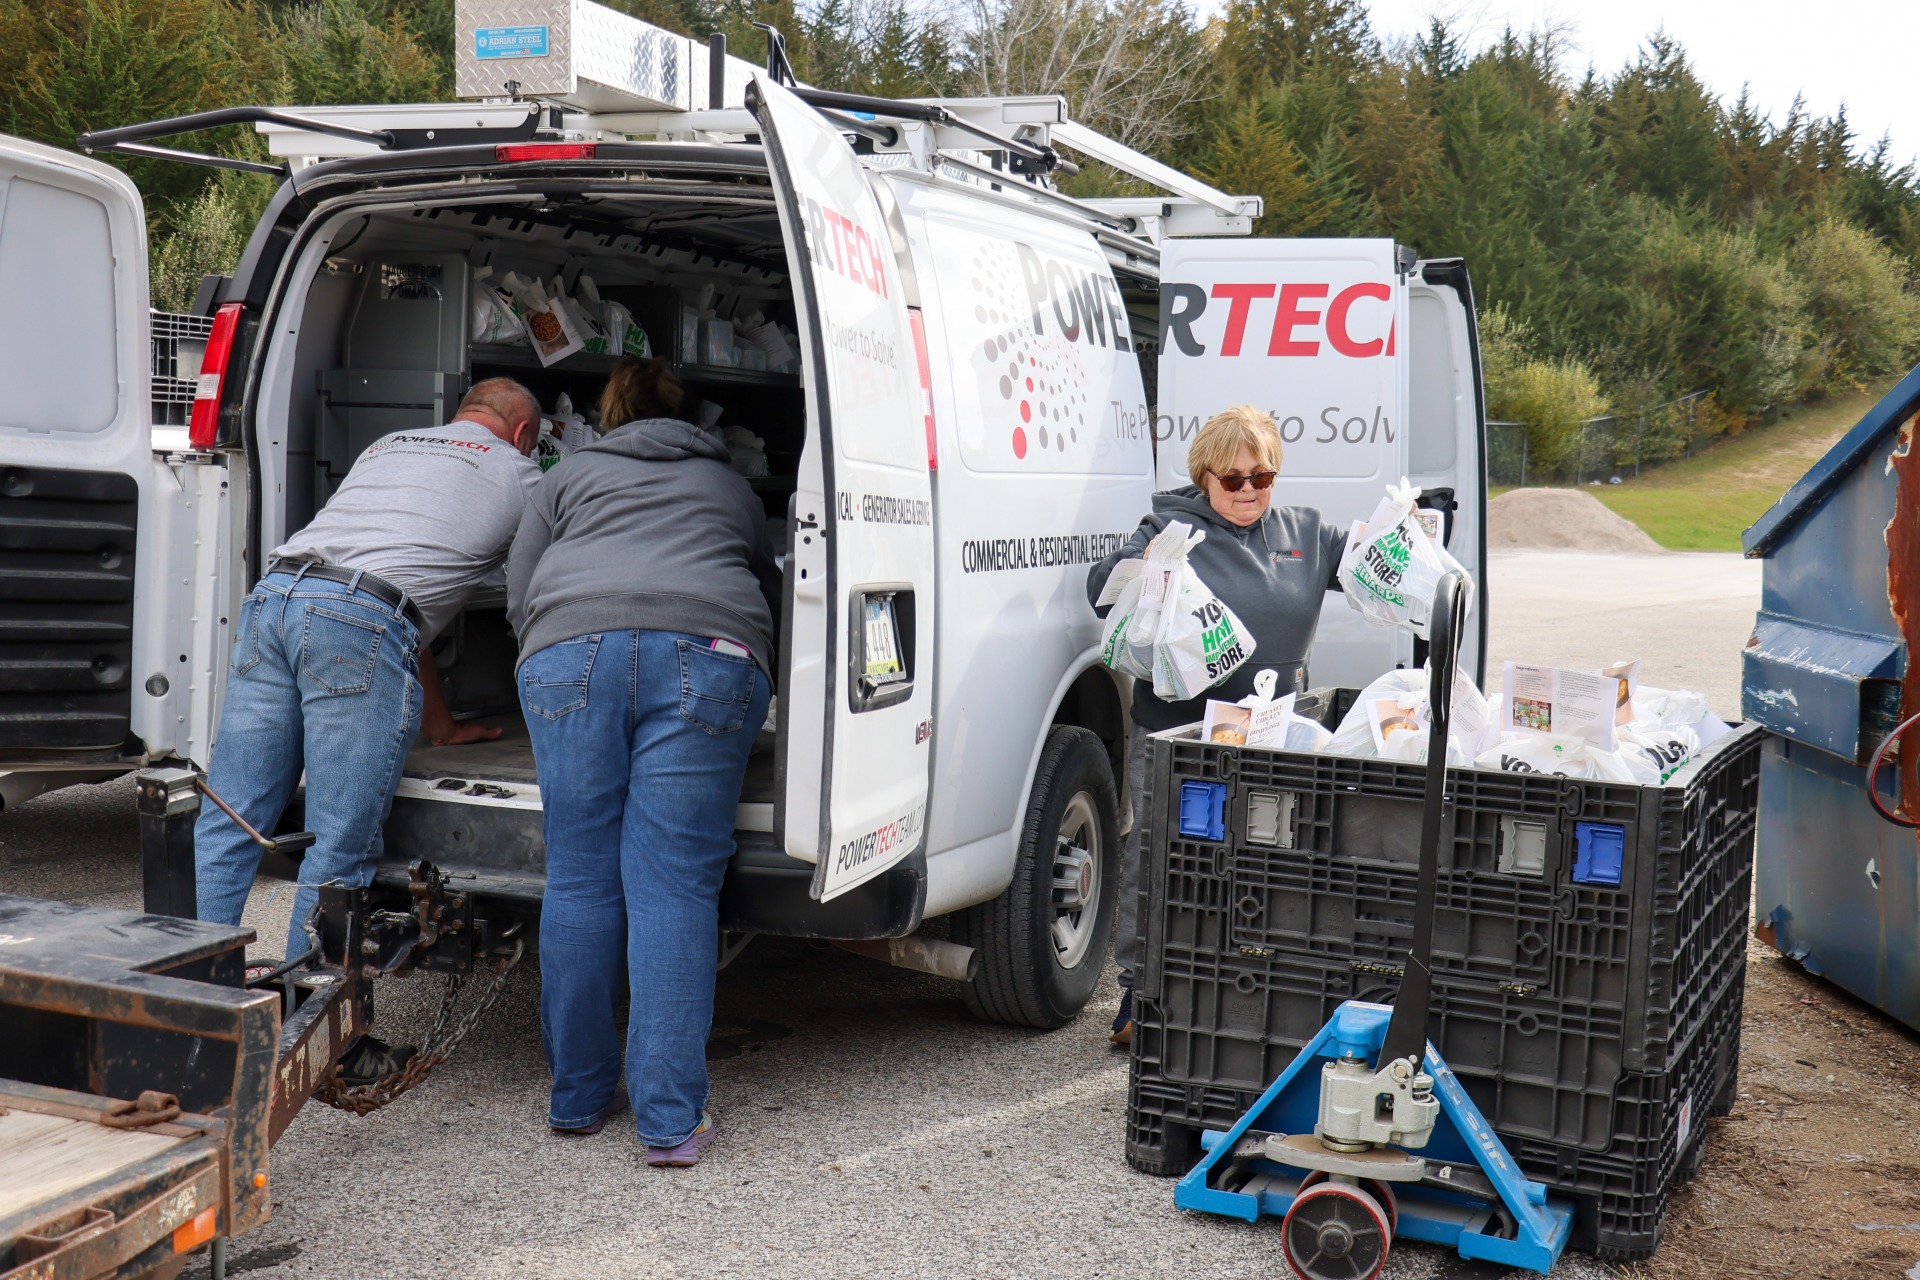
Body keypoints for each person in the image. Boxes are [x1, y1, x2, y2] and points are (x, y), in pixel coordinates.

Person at [195, 378, 543, 1074]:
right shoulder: (522, 474)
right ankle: (315, 1029)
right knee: (340, 840)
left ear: (461, 416)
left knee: (231, 820)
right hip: (361, 621)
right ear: (526, 432)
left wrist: (438, 727)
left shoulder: (389, 446)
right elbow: (516, 593)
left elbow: (395, 605)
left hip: (277, 597)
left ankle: (190, 996)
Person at [506, 357, 779, 1166]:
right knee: (672, 885)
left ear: (607, 414)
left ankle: (580, 1098)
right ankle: (669, 1122)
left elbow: (521, 592)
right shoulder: (729, 486)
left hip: (568, 652)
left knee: (582, 877)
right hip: (710, 650)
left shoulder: (566, 477)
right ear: (694, 415)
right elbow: (765, 590)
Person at [1087, 405, 1348, 1045]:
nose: (1249, 491)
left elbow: (1377, 573)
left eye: (1262, 477)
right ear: (1205, 477)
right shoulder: (1170, 525)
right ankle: (1139, 994)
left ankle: (1253, 999)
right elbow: (1100, 589)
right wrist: (1144, 566)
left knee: (1270, 871)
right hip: (1183, 739)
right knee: (1163, 864)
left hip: (1271, 735)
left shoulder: (1307, 533)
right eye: (1233, 480)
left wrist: (1418, 544)